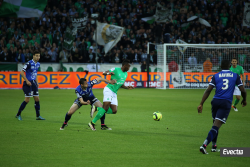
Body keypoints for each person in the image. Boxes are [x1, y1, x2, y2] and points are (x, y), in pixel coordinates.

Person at [197, 60, 247, 154]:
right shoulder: (235, 75)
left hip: (215, 101)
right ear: (229, 65)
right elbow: (243, 90)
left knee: (215, 124)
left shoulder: (216, 76)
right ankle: (204, 145)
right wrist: (244, 100)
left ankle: (214, 146)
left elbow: (208, 90)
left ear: (220, 66)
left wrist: (201, 104)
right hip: (225, 102)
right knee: (216, 125)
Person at [88, 60, 134, 131]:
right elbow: (104, 73)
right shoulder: (116, 69)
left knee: (114, 111)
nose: (129, 67)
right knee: (105, 108)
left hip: (114, 93)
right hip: (109, 90)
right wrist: (109, 73)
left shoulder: (126, 74)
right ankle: (92, 123)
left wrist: (127, 87)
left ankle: (97, 108)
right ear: (125, 65)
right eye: (129, 66)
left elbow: (120, 84)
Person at [15, 50, 45, 121]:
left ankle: (38, 116)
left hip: (34, 83)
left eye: (39, 56)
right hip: (27, 84)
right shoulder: (29, 63)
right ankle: (18, 114)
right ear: (33, 56)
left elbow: (35, 73)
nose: (38, 57)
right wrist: (27, 81)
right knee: (27, 100)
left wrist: (37, 82)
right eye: (37, 56)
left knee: (37, 99)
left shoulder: (38, 64)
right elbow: (21, 72)